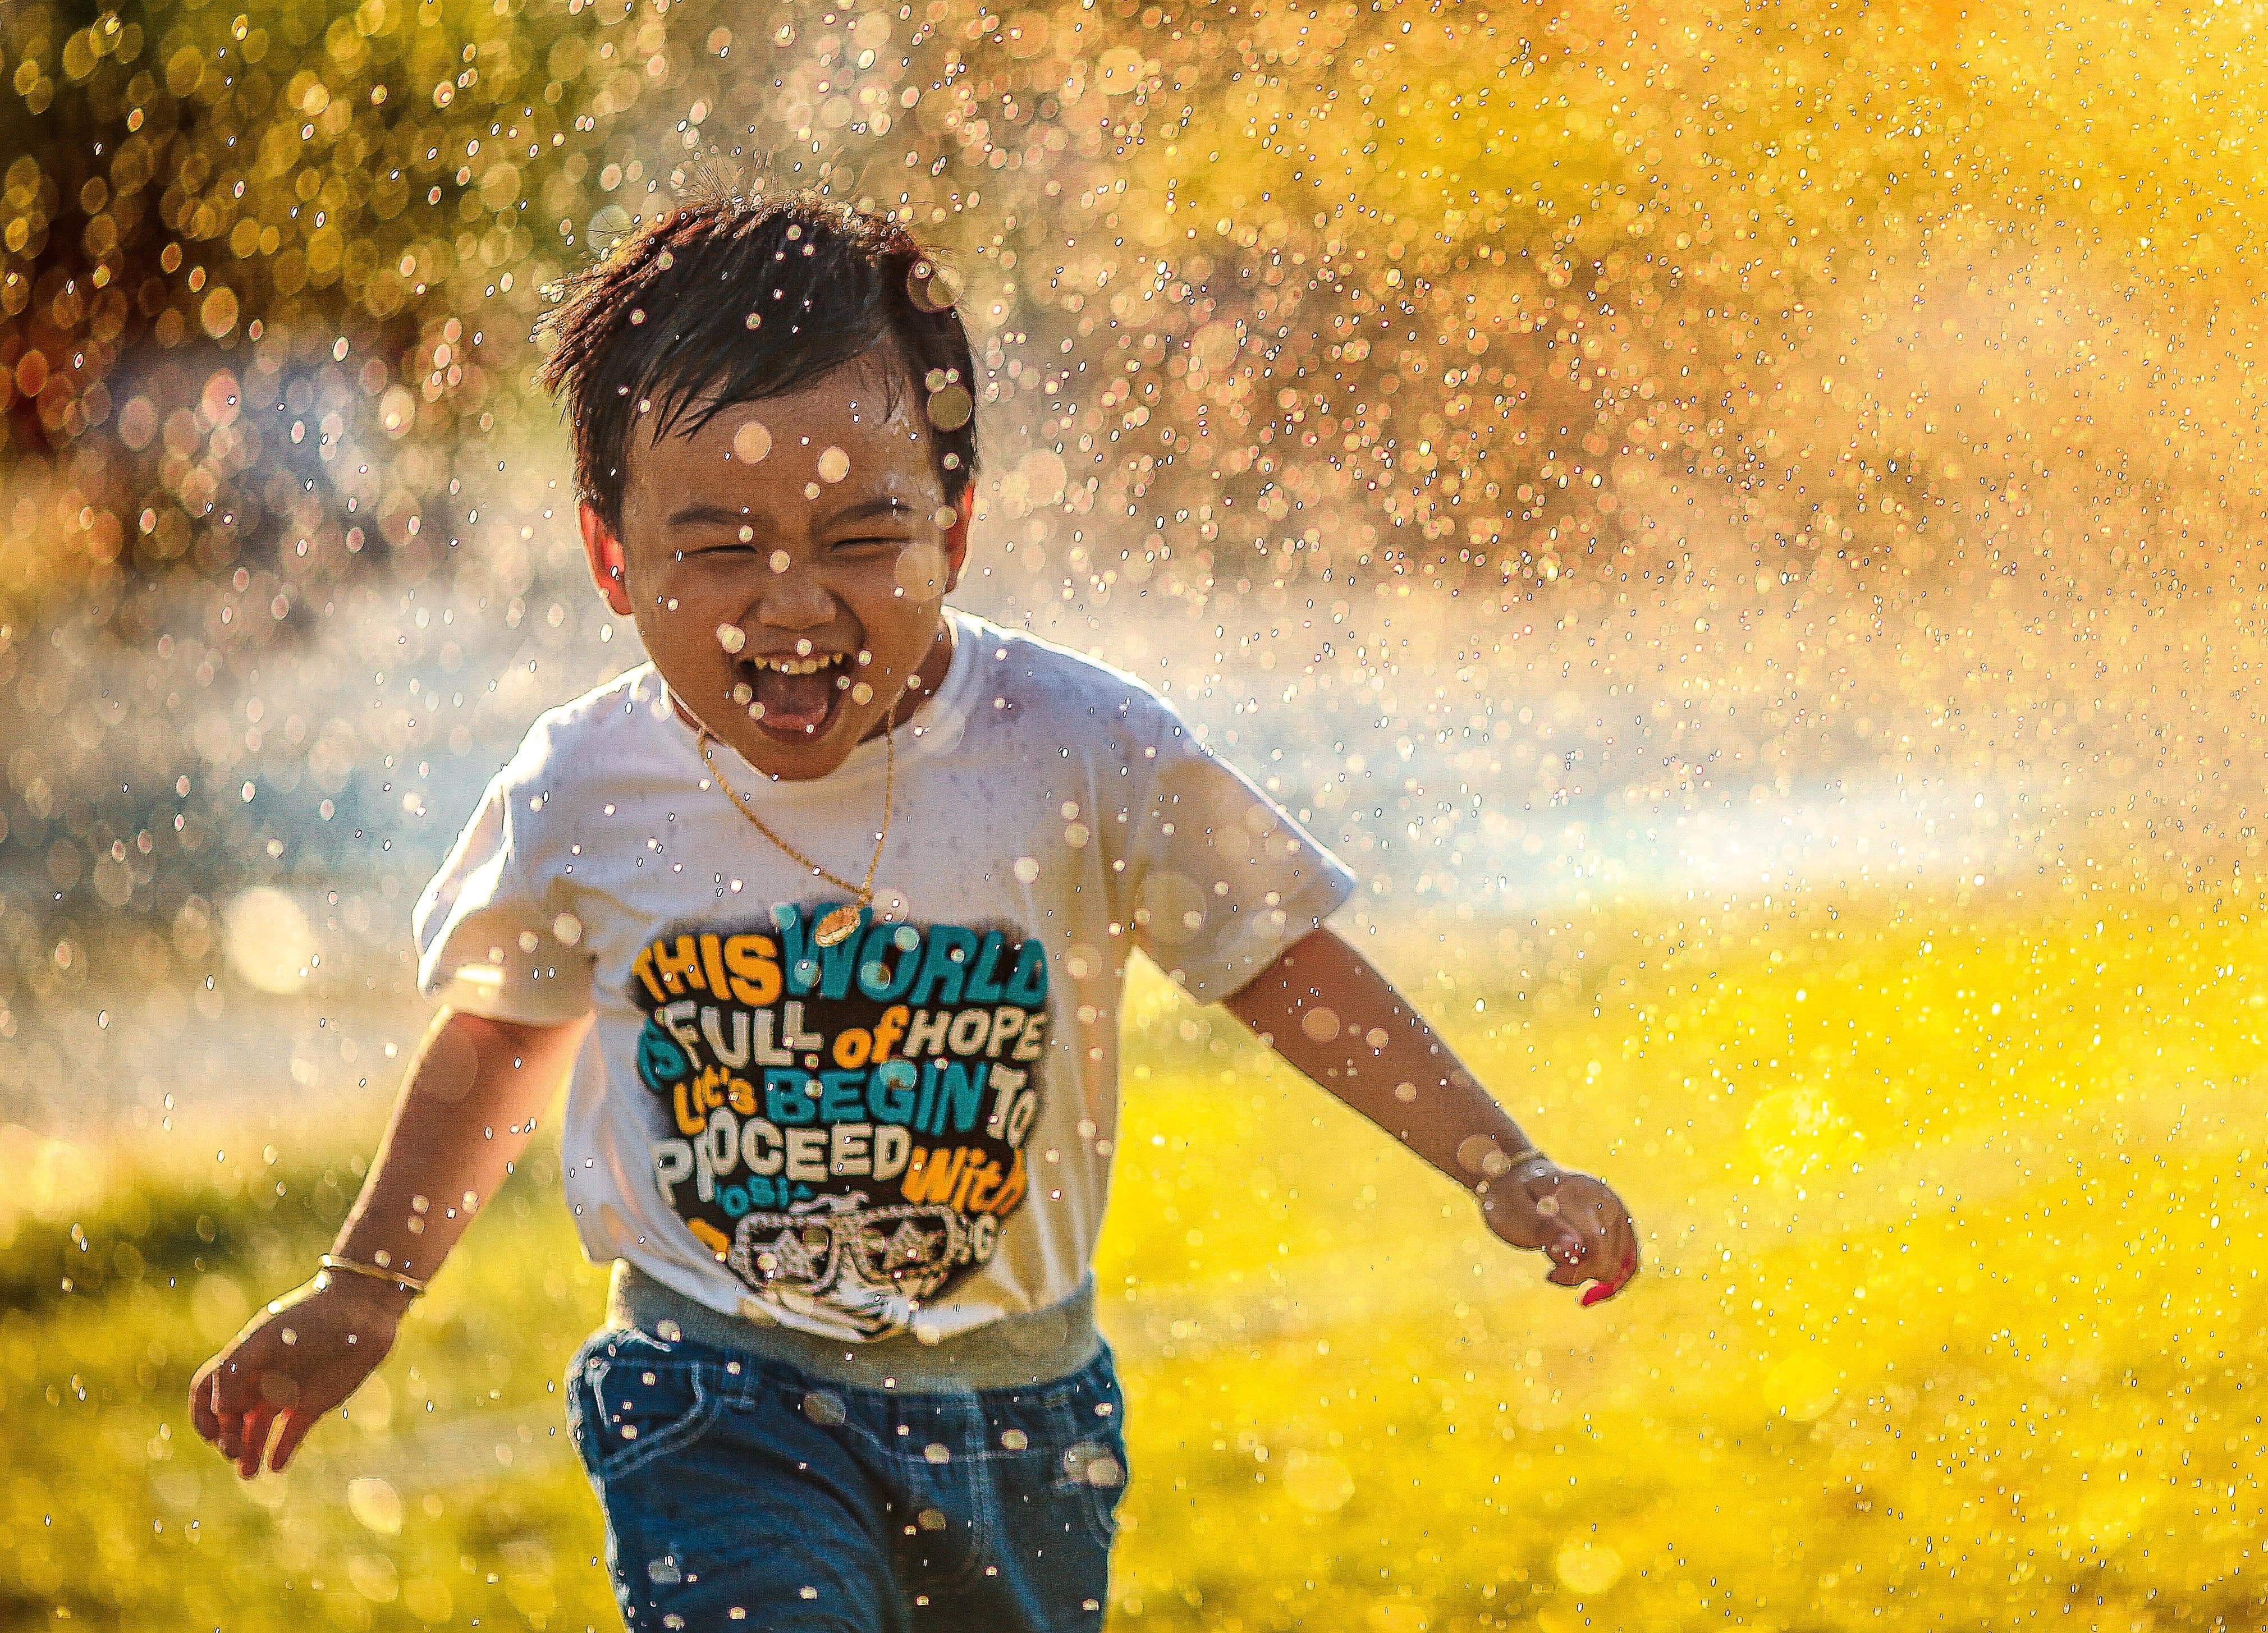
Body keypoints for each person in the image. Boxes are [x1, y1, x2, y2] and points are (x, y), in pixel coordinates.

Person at [189, 185, 1639, 1632]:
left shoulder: (1076, 747)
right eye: (721, 547)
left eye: (860, 537)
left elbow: (1278, 961)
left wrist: (1498, 1163)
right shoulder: (588, 785)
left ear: (954, 529)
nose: (792, 604)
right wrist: (368, 1285)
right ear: (613, 560)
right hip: (715, 1391)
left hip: (1021, 1418)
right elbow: (503, 1035)